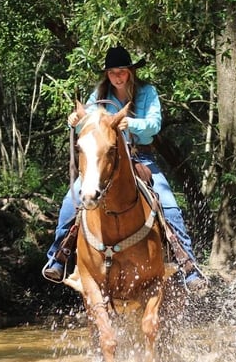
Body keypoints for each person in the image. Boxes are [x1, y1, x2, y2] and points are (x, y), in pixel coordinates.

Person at [42, 45, 206, 292]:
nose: (117, 76)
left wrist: (132, 123)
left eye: (122, 71)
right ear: (107, 75)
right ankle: (58, 257)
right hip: (104, 163)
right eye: (112, 72)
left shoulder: (147, 93)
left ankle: (188, 266)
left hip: (141, 159)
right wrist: (74, 121)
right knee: (70, 202)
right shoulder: (97, 95)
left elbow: (154, 125)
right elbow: (85, 126)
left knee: (170, 206)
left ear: (130, 72)